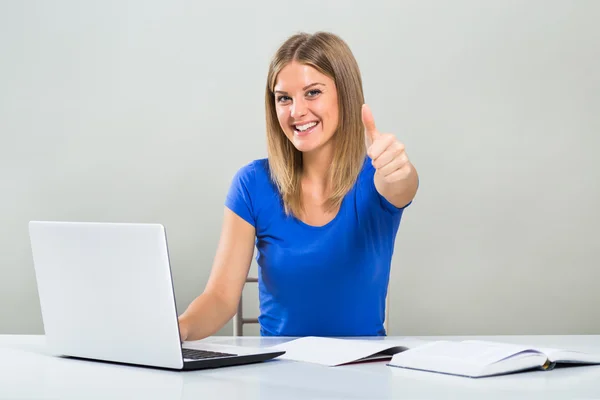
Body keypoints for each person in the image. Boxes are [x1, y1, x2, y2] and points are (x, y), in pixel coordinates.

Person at [178, 31, 419, 341]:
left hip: (364, 374)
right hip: (278, 373)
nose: (296, 111)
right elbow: (221, 299)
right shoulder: (252, 184)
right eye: (284, 98)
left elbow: (403, 185)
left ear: (344, 94)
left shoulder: (380, 175)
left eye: (313, 92)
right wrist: (178, 328)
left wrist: (400, 170)